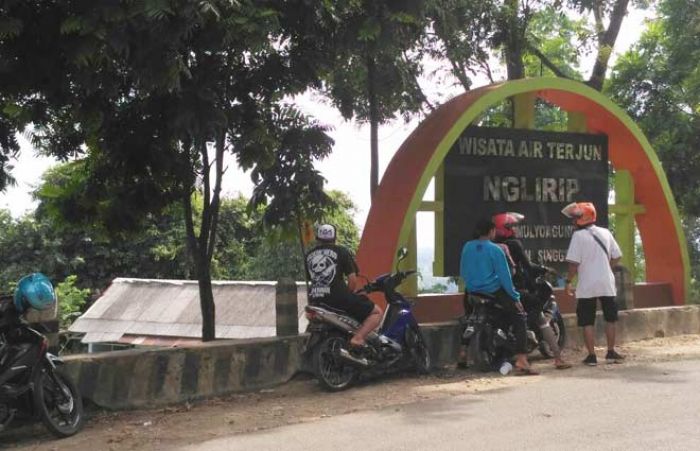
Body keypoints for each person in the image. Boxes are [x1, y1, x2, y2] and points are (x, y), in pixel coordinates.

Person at [492, 212, 572, 370]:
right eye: (513, 226)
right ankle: (558, 358)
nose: (515, 229)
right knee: (540, 317)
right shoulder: (513, 244)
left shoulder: (492, 245)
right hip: (515, 289)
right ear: (507, 228)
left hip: (495, 291)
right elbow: (527, 266)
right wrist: (543, 270)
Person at [460, 218, 538, 375]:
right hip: (493, 291)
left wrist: (472, 284)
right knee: (519, 315)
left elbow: (463, 270)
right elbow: (505, 277)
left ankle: (462, 354)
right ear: (491, 231)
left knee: (469, 318)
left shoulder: (467, 247)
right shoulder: (495, 249)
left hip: (473, 291)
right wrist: (515, 297)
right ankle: (522, 359)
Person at [562, 202, 625, 366]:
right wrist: (606, 268)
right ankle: (611, 352)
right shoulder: (605, 232)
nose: (574, 221)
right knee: (610, 318)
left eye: (576, 217)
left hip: (587, 285)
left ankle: (592, 356)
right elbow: (617, 256)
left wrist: (568, 281)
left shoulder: (578, 236)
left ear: (584, 218)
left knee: (587, 321)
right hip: (606, 282)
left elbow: (573, 264)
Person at [305, 224, 382, 348]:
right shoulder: (341, 251)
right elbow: (352, 281)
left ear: (317, 239)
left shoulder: (309, 255)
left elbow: (311, 280)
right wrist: (349, 295)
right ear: (334, 238)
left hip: (316, 300)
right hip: (338, 298)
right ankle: (358, 338)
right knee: (377, 312)